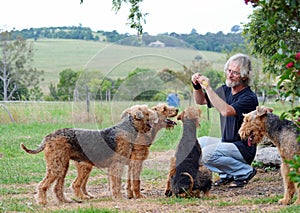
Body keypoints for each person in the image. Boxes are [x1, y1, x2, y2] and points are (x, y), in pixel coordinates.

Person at [191, 53, 258, 188]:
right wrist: (197, 86)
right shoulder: (225, 90)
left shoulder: (249, 97)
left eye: (235, 73)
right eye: (229, 70)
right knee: (198, 144)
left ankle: (244, 171)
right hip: (227, 143)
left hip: (243, 148)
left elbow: (226, 111)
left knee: (207, 154)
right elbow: (201, 100)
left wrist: (208, 88)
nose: (230, 75)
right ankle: (226, 175)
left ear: (245, 76)